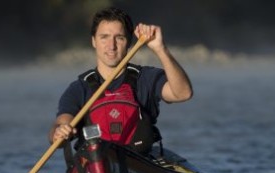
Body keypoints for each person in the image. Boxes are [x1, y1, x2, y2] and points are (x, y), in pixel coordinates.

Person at [49, 7, 193, 154]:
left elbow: (183, 94)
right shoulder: (79, 88)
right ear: (94, 41)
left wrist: (160, 49)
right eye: (104, 37)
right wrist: (60, 131)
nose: (111, 46)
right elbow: (61, 123)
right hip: (95, 166)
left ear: (129, 42)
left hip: (140, 165)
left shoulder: (146, 78)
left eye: (119, 38)